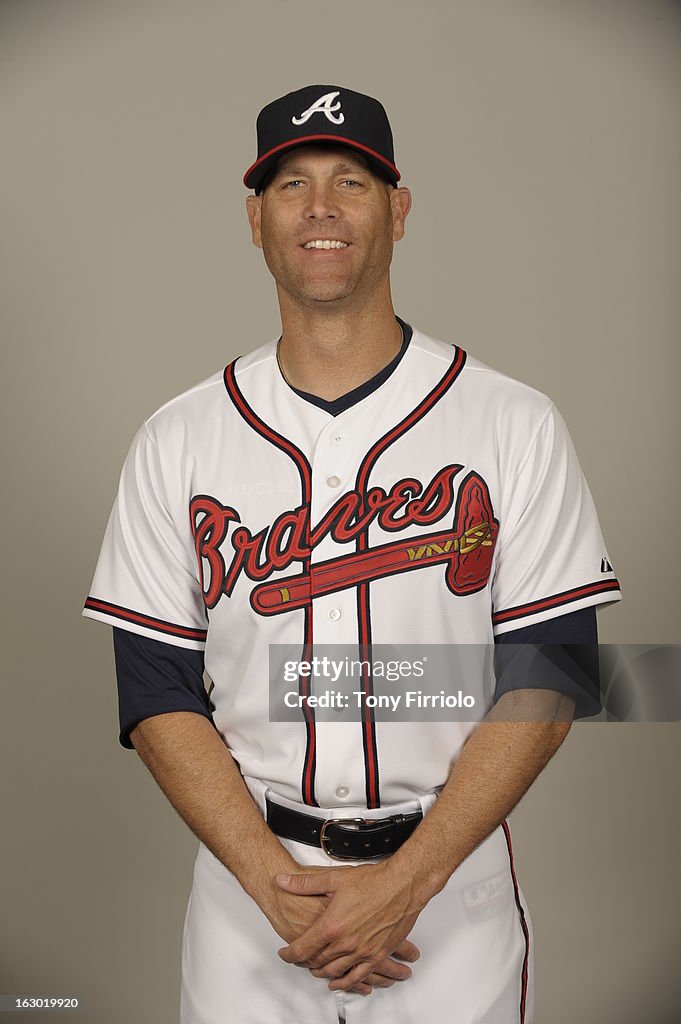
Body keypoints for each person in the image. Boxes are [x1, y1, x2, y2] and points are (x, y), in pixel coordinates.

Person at [83, 84, 622, 1023]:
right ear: (256, 220)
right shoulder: (178, 438)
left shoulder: (511, 422)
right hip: (249, 898)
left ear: (398, 210)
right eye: (291, 185)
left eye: (352, 182)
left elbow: (550, 668)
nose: (321, 207)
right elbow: (156, 688)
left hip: (447, 894)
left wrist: (407, 886)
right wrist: (270, 885)